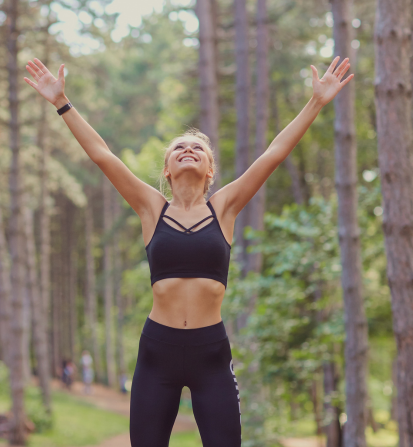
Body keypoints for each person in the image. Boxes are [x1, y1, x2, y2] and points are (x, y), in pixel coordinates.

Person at [24, 55, 353, 446]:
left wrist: (315, 102)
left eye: (197, 148)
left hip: (210, 353)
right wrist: (62, 102)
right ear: (166, 169)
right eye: (178, 147)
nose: (187, 150)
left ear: (210, 171)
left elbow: (273, 153)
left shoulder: (224, 207)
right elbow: (103, 155)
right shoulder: (151, 208)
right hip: (156, 353)